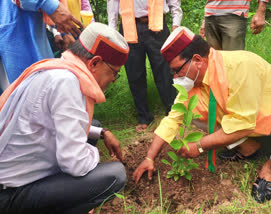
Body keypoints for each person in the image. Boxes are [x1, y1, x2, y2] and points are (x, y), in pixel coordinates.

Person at [133, 27, 271, 203]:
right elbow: (173, 118)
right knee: (193, 111)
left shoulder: (240, 66)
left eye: (177, 69)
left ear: (197, 60)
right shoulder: (195, 80)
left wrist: (198, 146)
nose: (174, 77)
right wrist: (149, 157)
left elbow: (244, 123)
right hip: (245, 124)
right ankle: (250, 147)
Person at [0, 22, 129, 213]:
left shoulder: (57, 70)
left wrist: (102, 133)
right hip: (12, 192)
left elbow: (52, 124)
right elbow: (74, 163)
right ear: (94, 63)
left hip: (12, 172)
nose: (112, 80)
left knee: (93, 127)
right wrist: (90, 153)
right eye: (114, 73)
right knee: (116, 175)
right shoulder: (66, 83)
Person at [107, 0, 182, 132]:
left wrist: (176, 24)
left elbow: (174, 2)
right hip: (129, 26)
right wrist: (112, 33)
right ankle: (144, 117)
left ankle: (173, 113)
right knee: (134, 74)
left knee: (164, 71)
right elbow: (112, 4)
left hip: (158, 26)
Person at [0, 0, 83, 94]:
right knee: (22, 95)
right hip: (16, 33)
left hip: (32, 32)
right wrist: (51, 6)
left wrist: (63, 32)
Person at [199, 0, 268, 50]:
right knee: (214, 62)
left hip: (235, 14)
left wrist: (261, 12)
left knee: (234, 62)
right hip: (210, 15)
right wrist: (205, 20)